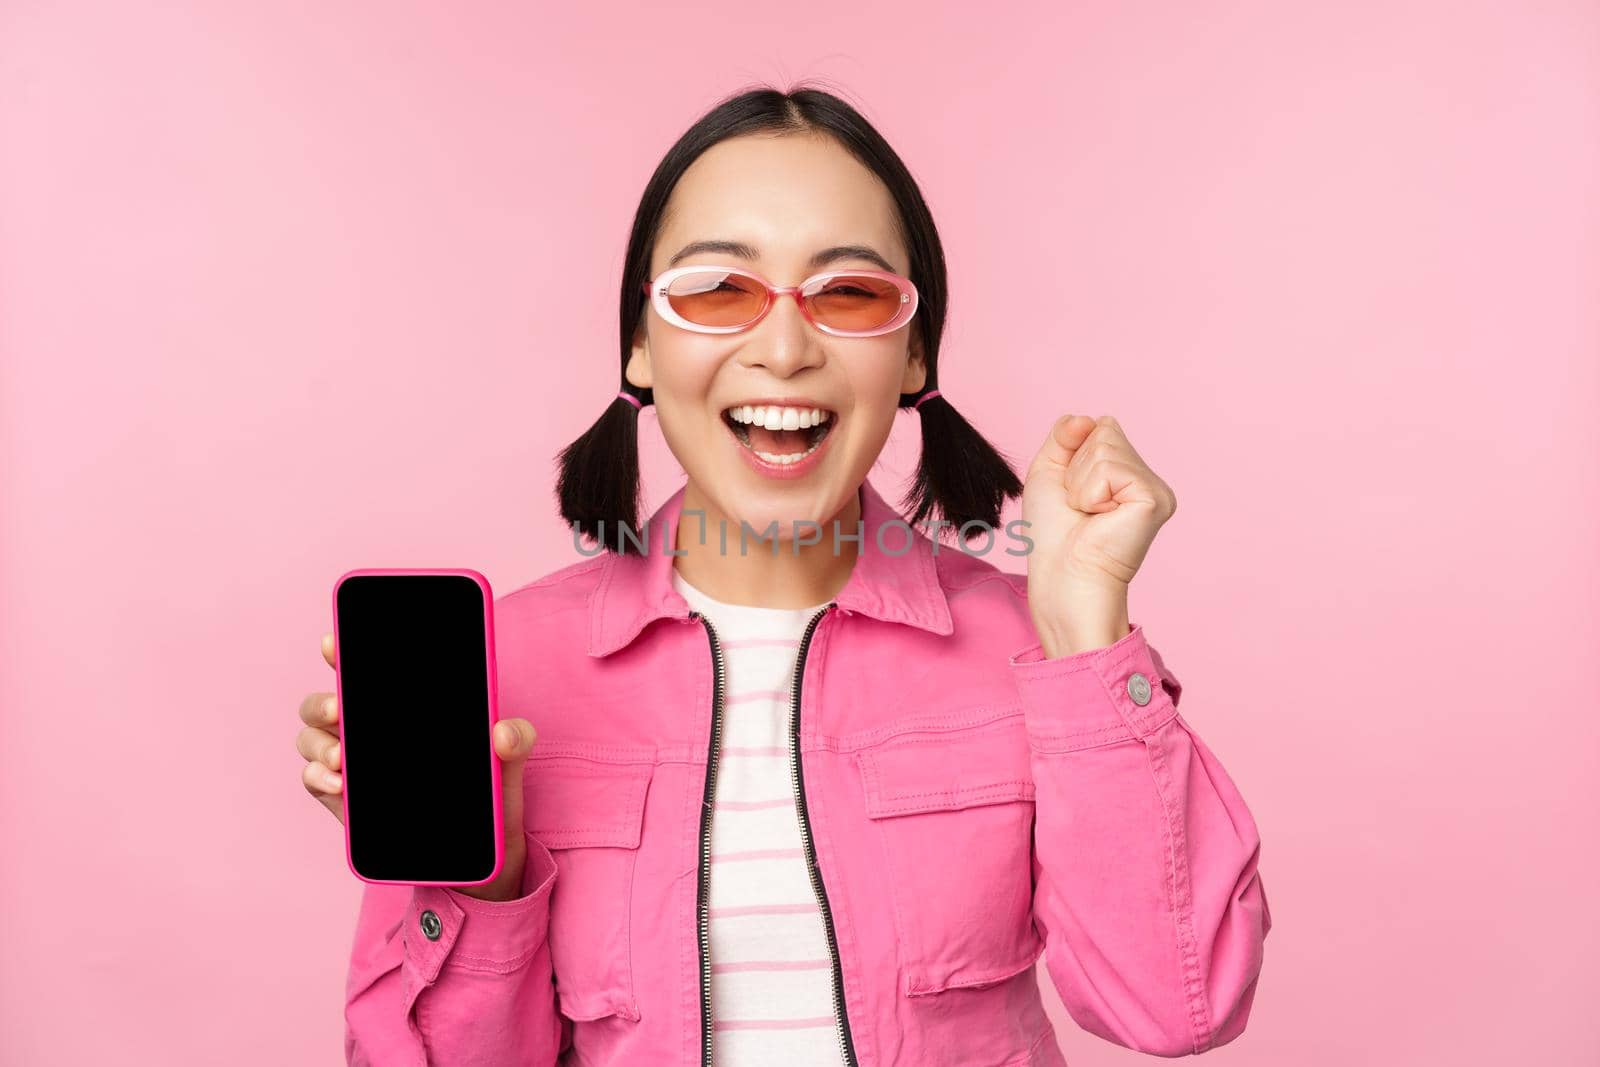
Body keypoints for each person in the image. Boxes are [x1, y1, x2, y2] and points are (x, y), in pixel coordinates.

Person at [297, 83, 1272, 1067]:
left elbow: (1175, 1007)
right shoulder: (501, 671)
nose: (783, 347)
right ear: (638, 344)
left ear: (912, 350)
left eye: (847, 294)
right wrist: (482, 882)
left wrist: (1085, 638)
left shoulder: (1040, 654)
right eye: (717, 289)